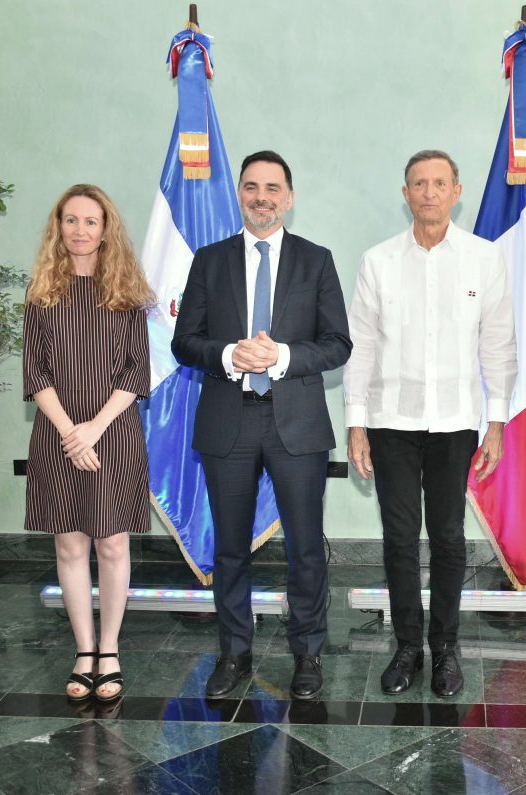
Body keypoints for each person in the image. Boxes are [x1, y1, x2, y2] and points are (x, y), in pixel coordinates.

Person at [171, 150, 352, 701]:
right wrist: (229, 353)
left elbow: (337, 343)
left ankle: (308, 654)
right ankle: (234, 653)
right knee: (230, 547)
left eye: (273, 188)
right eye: (251, 187)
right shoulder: (210, 260)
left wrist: (279, 358)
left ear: (289, 198)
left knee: (306, 549)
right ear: (240, 195)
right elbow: (185, 342)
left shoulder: (316, 260)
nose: (261, 197)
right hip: (229, 420)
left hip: (296, 424)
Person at [345, 150, 517, 698]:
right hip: (391, 421)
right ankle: (406, 647)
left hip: (456, 424)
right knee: (399, 537)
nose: (429, 193)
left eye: (439, 183)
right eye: (419, 183)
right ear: (405, 193)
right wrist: (355, 424)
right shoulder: (378, 261)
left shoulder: (483, 259)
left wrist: (496, 423)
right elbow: (361, 348)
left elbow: (498, 346)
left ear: (456, 191)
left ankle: (445, 648)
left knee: (447, 538)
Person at [23, 184, 153, 703]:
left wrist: (92, 429)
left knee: (113, 543)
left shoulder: (126, 292)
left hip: (113, 433)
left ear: (106, 228)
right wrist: (69, 432)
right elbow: (35, 374)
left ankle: (111, 649)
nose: (80, 230)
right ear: (59, 227)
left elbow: (136, 371)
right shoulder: (41, 294)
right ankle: (83, 651)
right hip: (57, 435)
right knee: (70, 544)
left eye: (90, 221)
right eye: (70, 220)